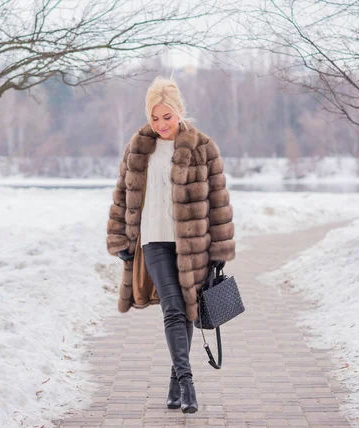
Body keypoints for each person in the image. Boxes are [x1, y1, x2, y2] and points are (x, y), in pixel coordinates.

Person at [106, 77, 235, 414]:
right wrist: (120, 236)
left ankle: (174, 381)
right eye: (154, 117)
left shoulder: (203, 147)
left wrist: (219, 252)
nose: (161, 124)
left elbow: (219, 204)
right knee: (174, 309)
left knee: (188, 311)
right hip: (153, 241)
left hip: (192, 245)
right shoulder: (139, 147)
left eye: (167, 116)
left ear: (179, 111)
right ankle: (188, 382)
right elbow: (122, 196)